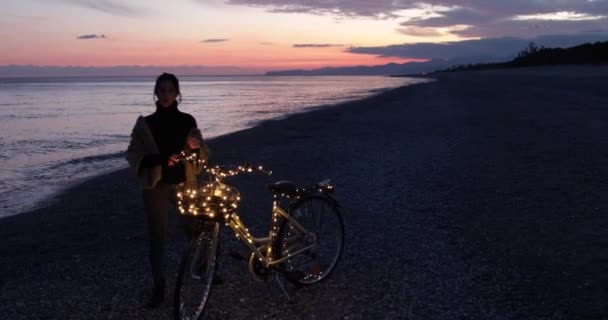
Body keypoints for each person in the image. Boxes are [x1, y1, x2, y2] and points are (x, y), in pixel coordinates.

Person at [126, 72, 208, 308]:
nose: (165, 95)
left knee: (194, 229)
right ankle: (159, 285)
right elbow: (133, 155)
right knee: (158, 236)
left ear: (177, 93)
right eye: (161, 90)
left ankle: (203, 267)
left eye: (170, 90)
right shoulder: (145, 124)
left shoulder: (187, 121)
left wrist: (196, 147)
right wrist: (162, 158)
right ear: (156, 92)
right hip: (156, 186)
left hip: (185, 183)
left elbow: (202, 154)